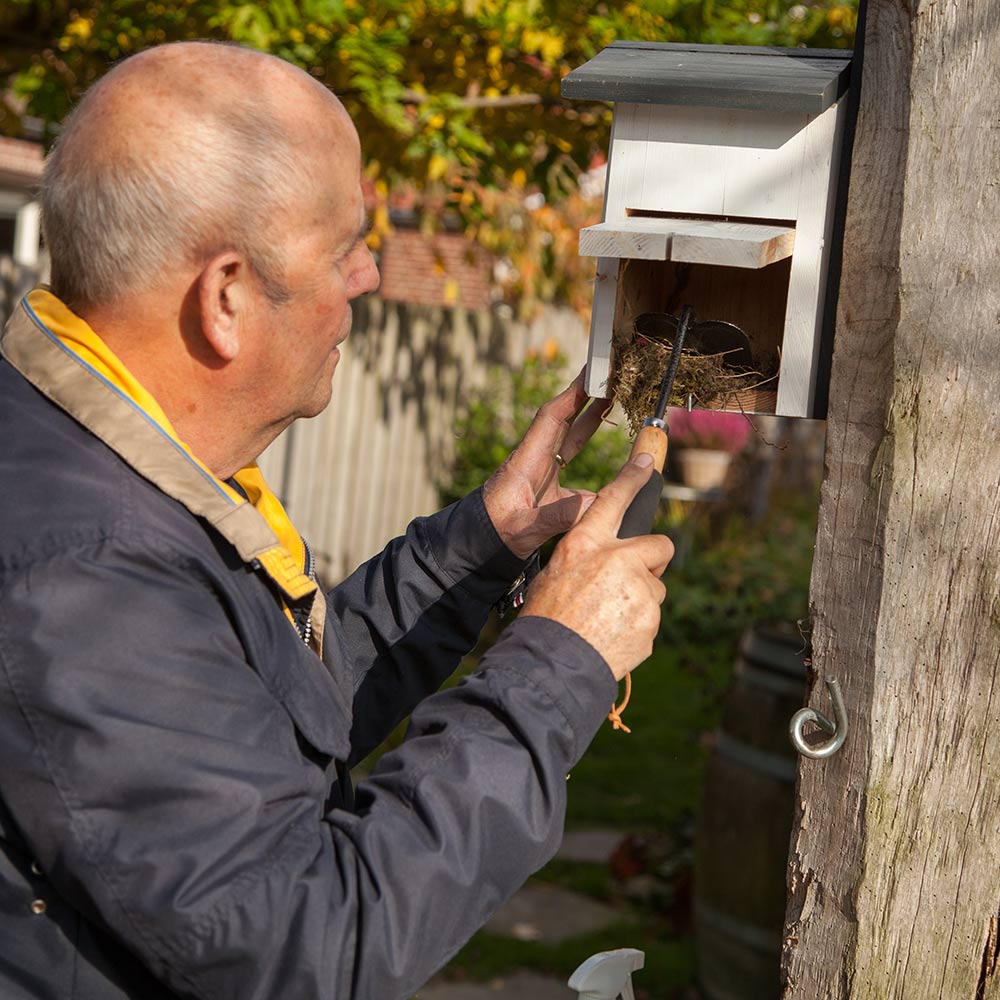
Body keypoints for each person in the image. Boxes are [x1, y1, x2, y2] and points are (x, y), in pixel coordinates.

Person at [0, 41, 673, 1000]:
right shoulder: (83, 569)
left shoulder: (94, 465)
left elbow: (259, 711)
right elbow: (308, 943)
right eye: (344, 247)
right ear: (226, 298)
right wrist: (557, 663)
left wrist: (478, 545)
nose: (366, 276)